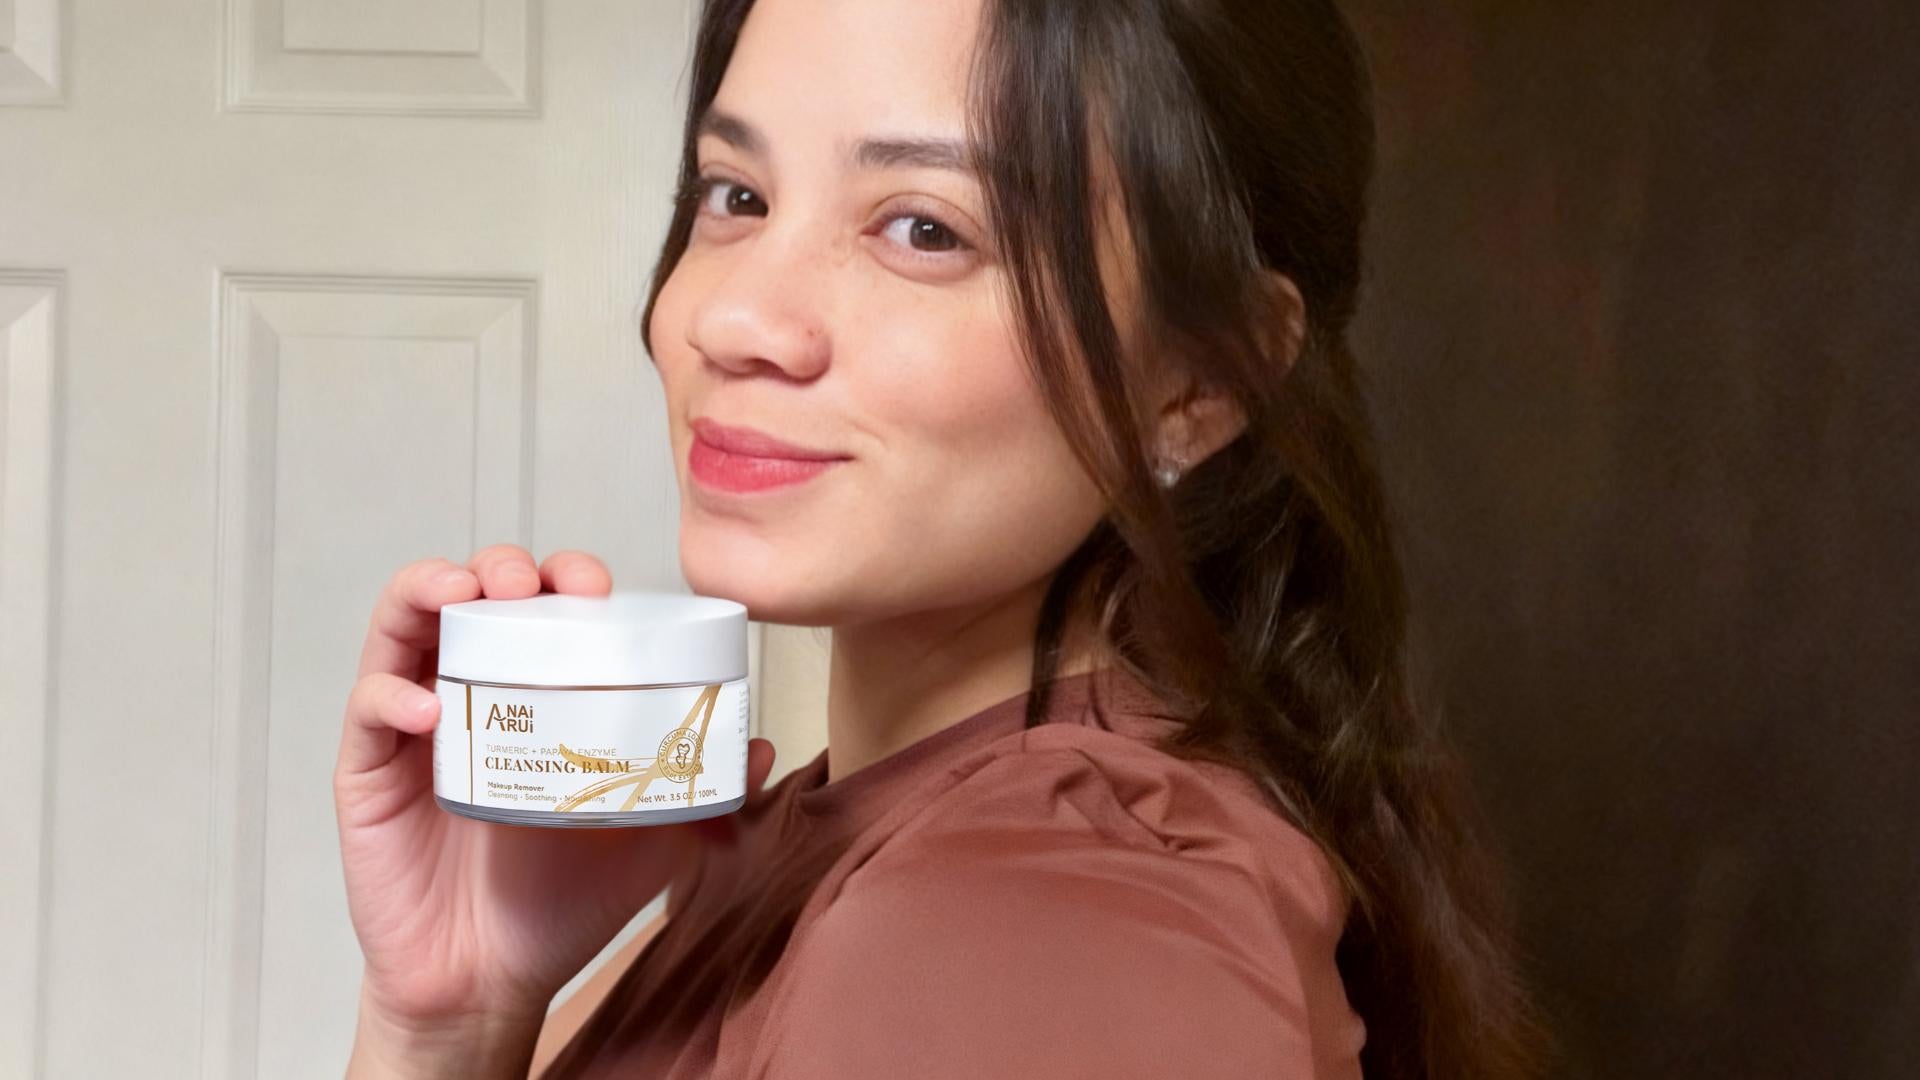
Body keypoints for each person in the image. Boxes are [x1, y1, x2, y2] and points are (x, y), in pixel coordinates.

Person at [336, 0, 1549, 1076]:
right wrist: (450, 1020)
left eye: (924, 230)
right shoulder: (857, 847)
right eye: (736, 195)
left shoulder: (1037, 918)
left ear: (1200, 383)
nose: (738, 318)